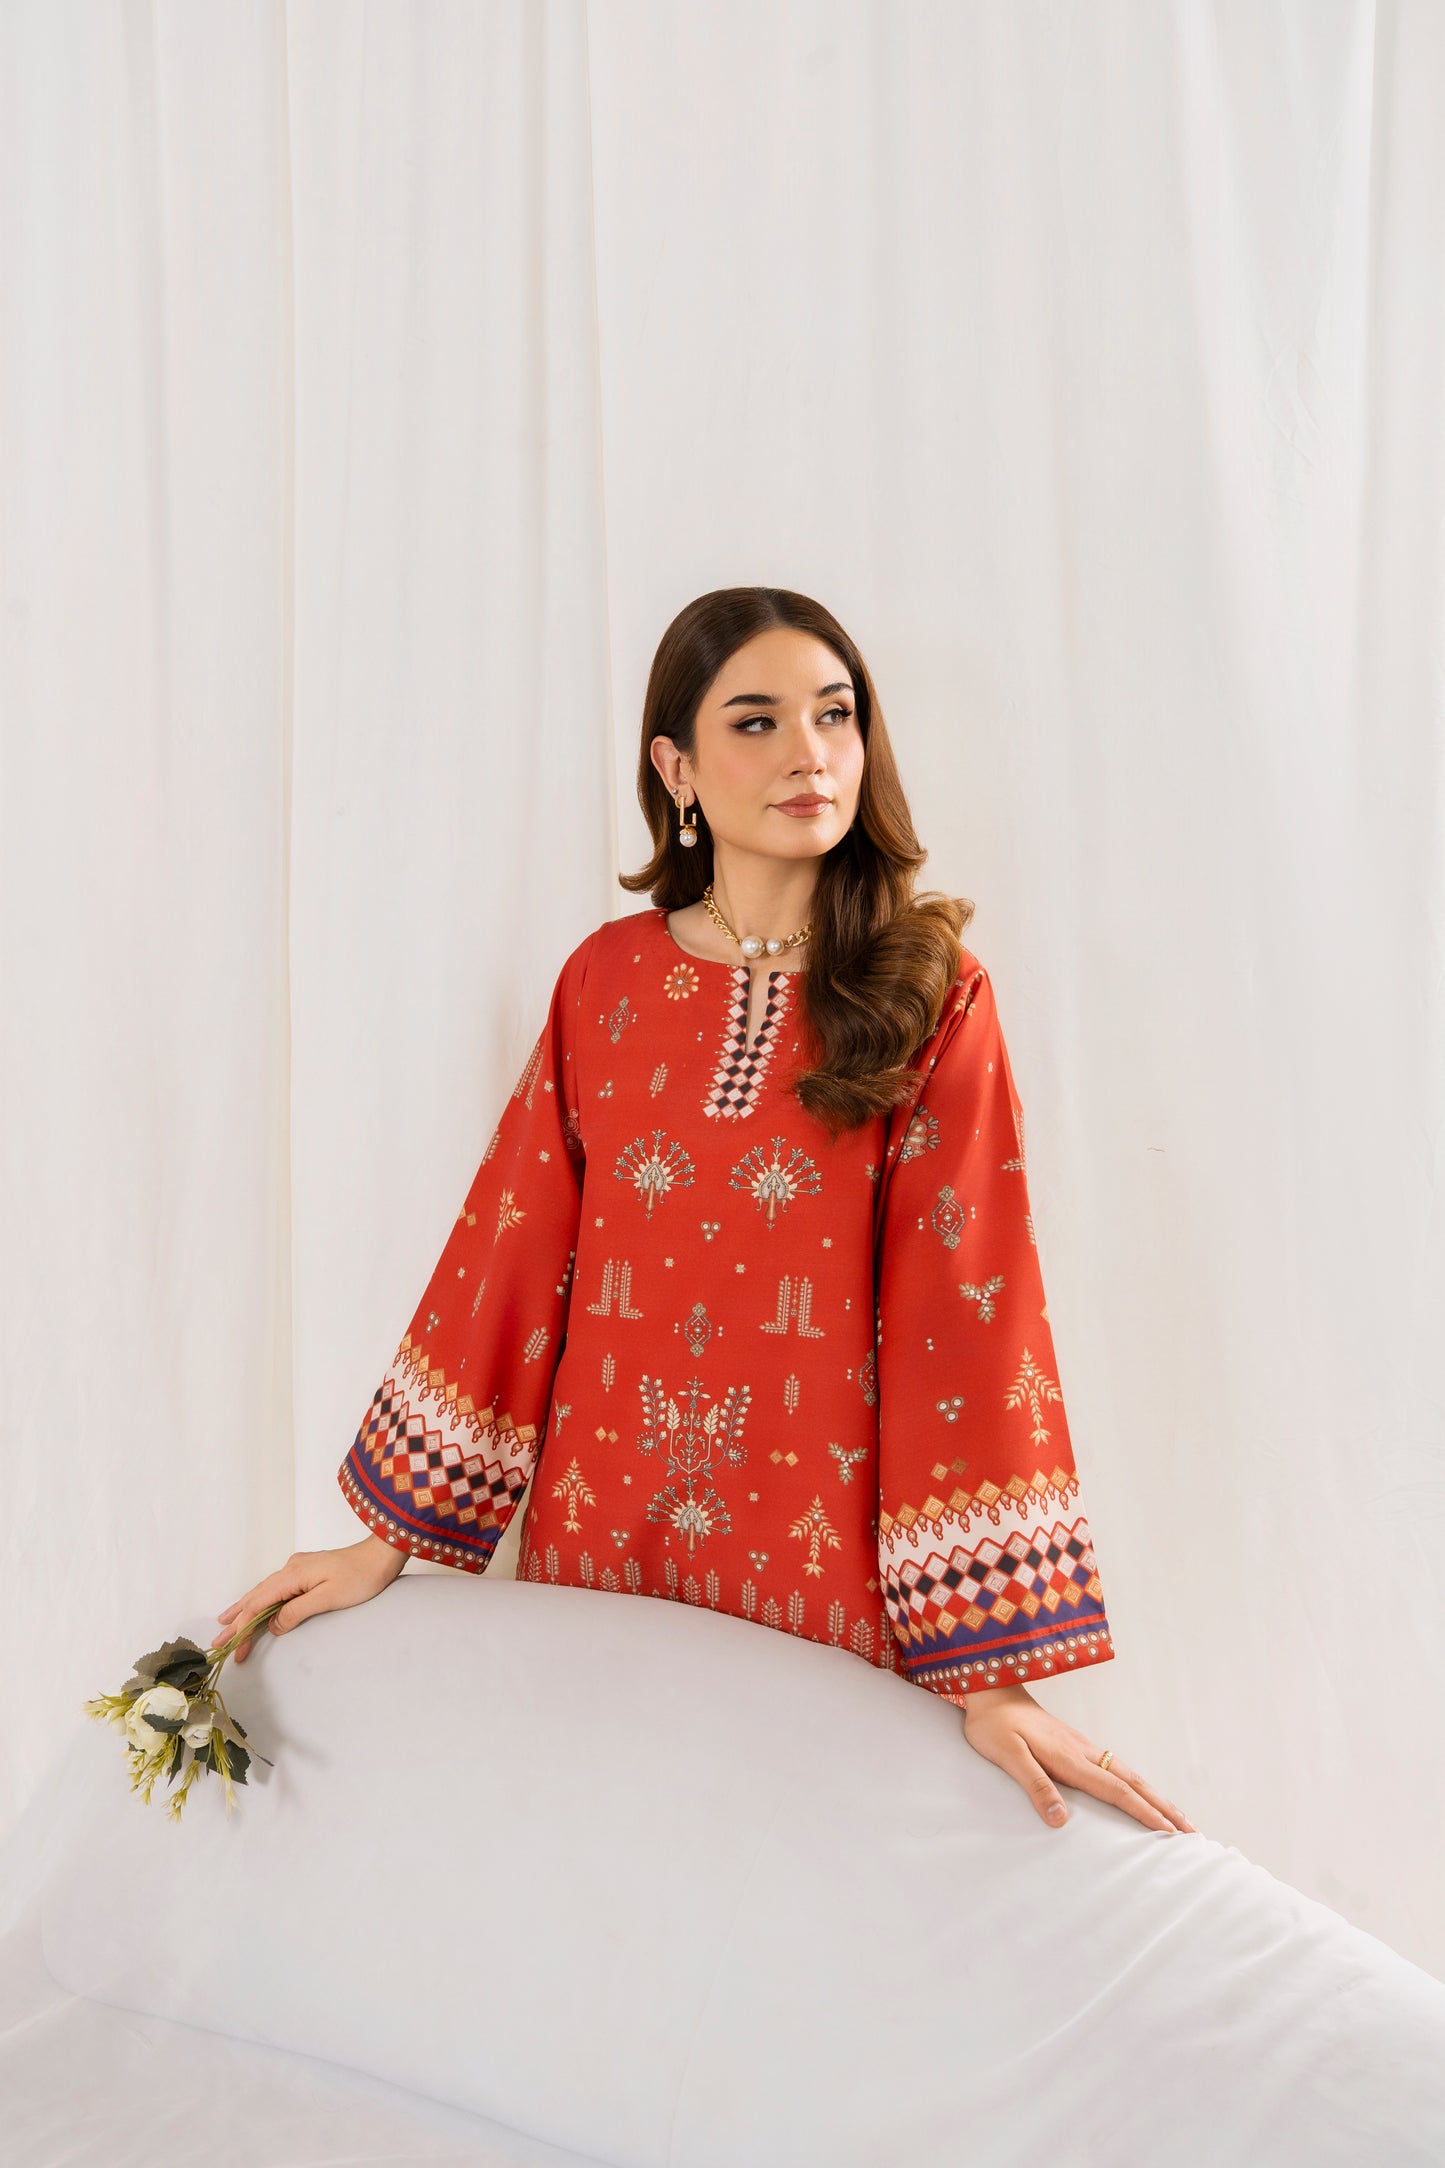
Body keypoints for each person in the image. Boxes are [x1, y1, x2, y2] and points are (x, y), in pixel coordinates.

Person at [214, 587, 1194, 1840]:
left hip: (823, 1578)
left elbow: (963, 1309)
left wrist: (990, 1674)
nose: (809, 753)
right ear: (674, 767)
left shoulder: (929, 991)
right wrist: (382, 1543)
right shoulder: (605, 980)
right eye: (757, 720)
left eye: (834, 714)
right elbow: (514, 1247)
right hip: (599, 1553)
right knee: (607, 1873)